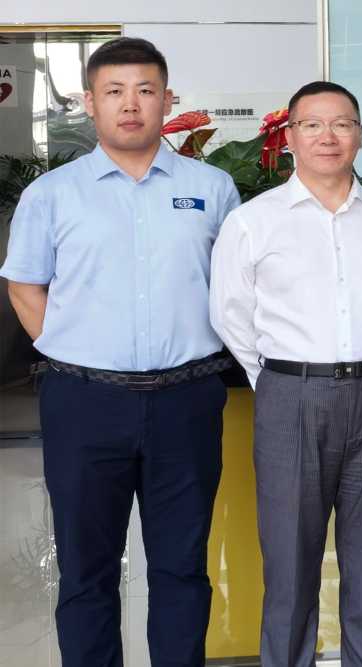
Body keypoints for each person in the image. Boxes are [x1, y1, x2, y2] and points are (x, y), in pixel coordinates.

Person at [1, 37, 239, 667]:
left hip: (187, 398)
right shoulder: (52, 194)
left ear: (168, 99)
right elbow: (24, 286)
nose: (130, 104)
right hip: (84, 402)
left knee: (182, 567)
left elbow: (236, 288)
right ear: (90, 102)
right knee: (87, 570)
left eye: (144, 90)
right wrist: (74, 350)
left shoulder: (213, 188)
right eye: (114, 91)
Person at [208, 80, 362, 667]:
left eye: (342, 124)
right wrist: (281, 381)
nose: (329, 136)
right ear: (290, 137)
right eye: (312, 125)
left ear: (360, 135)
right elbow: (230, 314)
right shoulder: (252, 222)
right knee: (290, 566)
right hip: (291, 398)